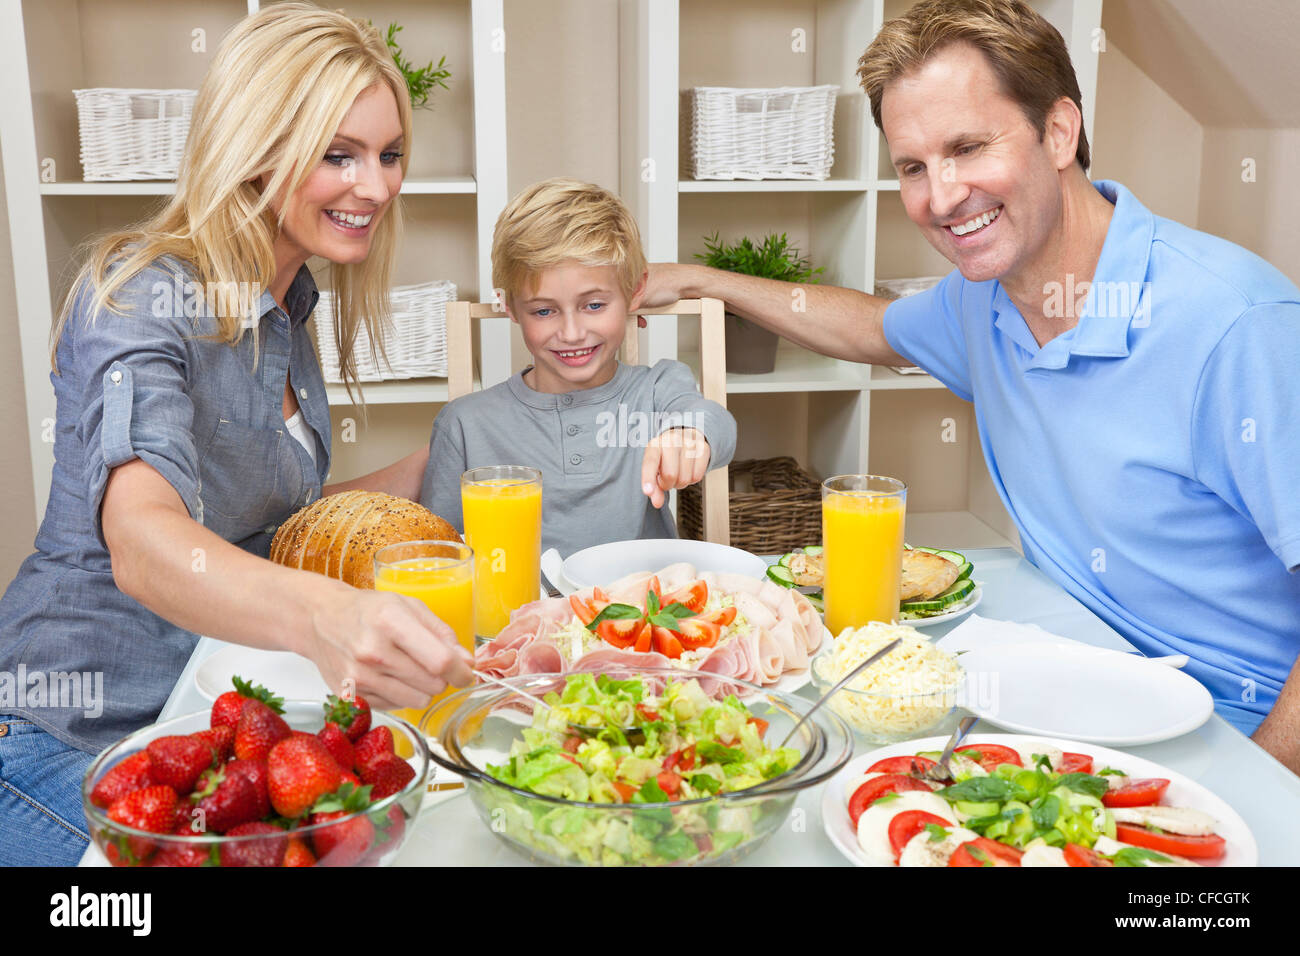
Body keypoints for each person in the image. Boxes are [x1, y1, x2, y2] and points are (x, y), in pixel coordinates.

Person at [638, 0, 1300, 771]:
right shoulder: (984, 296)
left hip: (1233, 730)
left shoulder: (1238, 325)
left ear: (1059, 132)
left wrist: (1262, 795)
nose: (942, 198)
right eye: (913, 167)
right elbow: (872, 329)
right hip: (1070, 686)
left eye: (967, 148)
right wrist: (700, 279)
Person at [0, 3, 473, 866]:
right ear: (255, 148)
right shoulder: (141, 291)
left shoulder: (290, 305)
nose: (376, 186)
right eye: (339, 154)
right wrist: (329, 614)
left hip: (204, 728)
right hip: (64, 745)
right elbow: (145, 539)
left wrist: (448, 453)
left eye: (389, 153)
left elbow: (260, 518)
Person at [420, 178, 736, 557]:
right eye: (544, 311)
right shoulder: (465, 424)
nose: (572, 333)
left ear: (635, 291)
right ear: (509, 307)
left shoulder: (657, 390)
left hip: (642, 610)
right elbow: (439, 554)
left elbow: (713, 422)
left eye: (594, 306)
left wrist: (687, 434)